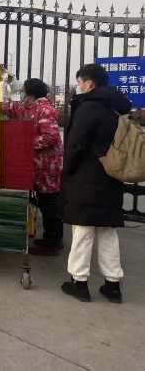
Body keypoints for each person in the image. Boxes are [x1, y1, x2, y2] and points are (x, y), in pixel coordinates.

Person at [61, 64, 132, 303]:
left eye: (80, 82)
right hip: (111, 175)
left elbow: (76, 145)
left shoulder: (89, 107)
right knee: (107, 230)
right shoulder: (117, 107)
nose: (79, 86)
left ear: (89, 83)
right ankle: (113, 285)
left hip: (86, 176)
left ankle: (79, 282)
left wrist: (68, 170)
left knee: (83, 230)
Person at [2, 78, 64, 256]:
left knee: (49, 203)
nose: (21, 95)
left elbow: (50, 137)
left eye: (23, 92)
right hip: (37, 165)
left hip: (48, 165)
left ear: (30, 94)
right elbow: (13, 109)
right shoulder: (30, 108)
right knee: (42, 201)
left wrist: (25, 144)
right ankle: (50, 238)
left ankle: (52, 242)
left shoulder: (45, 110)